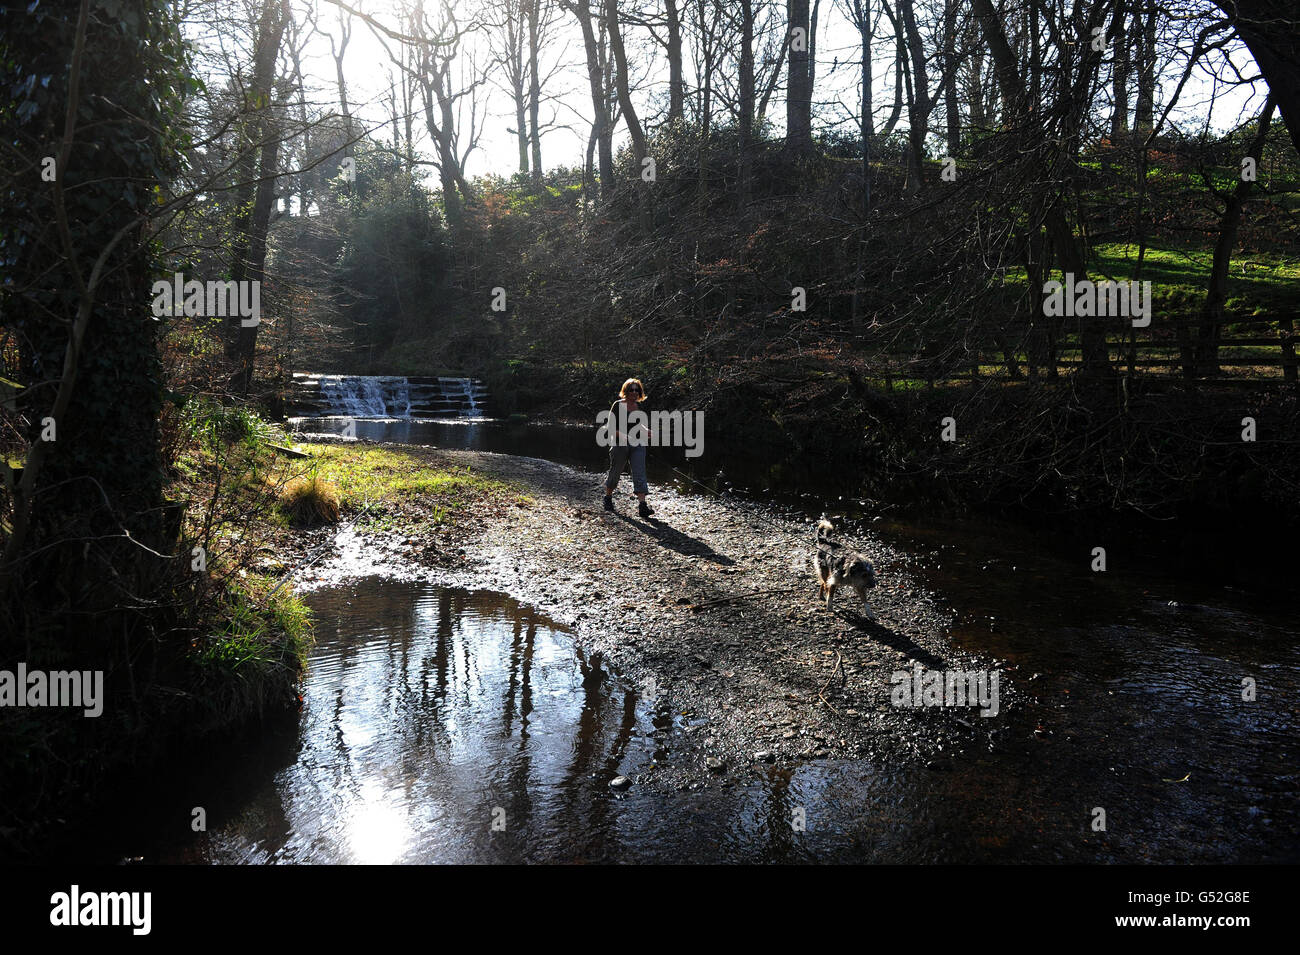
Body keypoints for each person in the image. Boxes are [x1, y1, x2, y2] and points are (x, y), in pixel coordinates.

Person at [603, 378, 654, 518]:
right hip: (620, 443)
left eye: (637, 390)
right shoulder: (617, 405)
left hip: (637, 443)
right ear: (625, 391)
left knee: (640, 472)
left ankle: (642, 506)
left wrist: (647, 431)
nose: (634, 392)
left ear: (640, 392)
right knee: (616, 471)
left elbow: (639, 425)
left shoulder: (639, 406)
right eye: (631, 389)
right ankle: (608, 498)